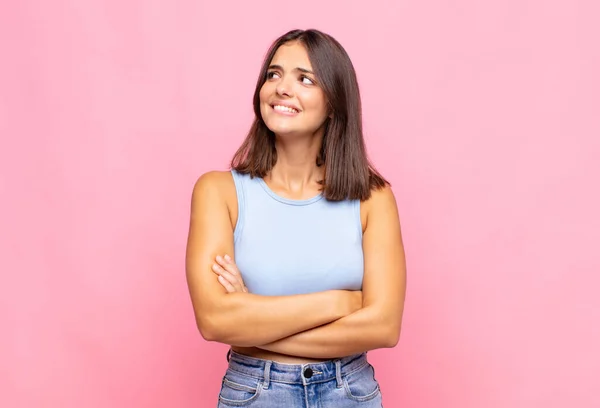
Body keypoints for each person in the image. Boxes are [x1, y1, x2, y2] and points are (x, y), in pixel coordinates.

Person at [185, 28, 407, 407]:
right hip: (255, 393)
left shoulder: (373, 198)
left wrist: (252, 322)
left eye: (304, 79)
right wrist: (341, 302)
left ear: (335, 101)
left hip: (349, 393)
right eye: (273, 74)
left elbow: (384, 327)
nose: (282, 88)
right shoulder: (218, 192)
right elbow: (214, 321)